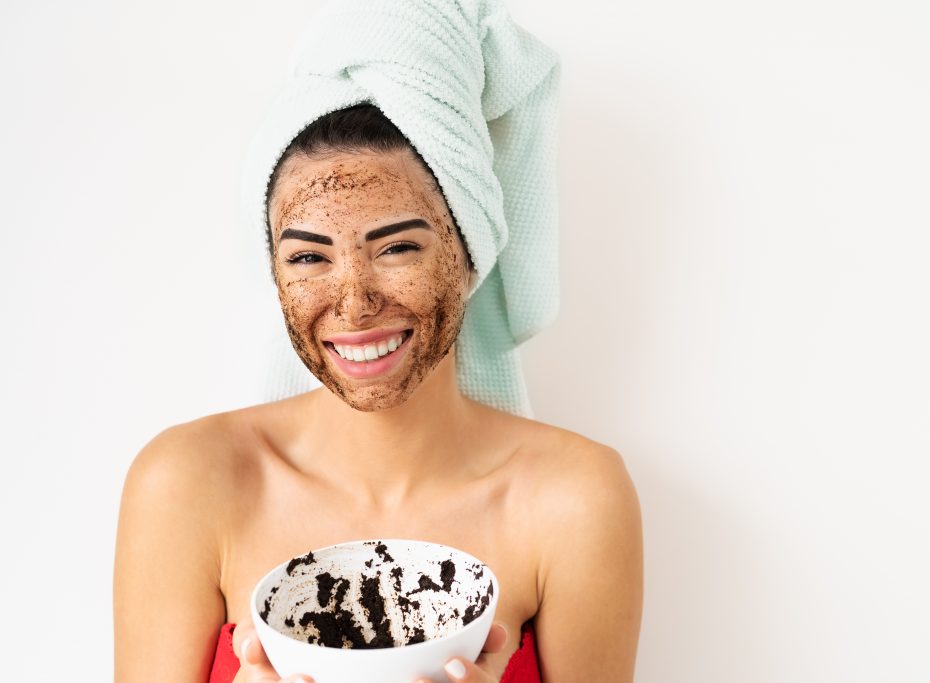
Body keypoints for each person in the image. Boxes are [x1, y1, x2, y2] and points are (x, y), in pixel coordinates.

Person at [113, 3, 642, 683]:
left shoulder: (575, 499)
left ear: (470, 249)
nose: (355, 303)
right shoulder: (186, 483)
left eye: (396, 247)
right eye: (308, 257)